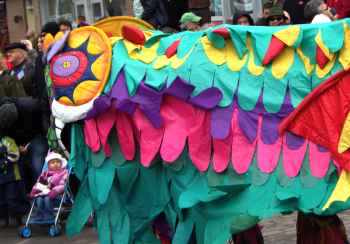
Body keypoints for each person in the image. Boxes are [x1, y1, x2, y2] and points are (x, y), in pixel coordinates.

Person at [29, 152, 68, 221]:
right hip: (44, 193)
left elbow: (63, 185)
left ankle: (49, 215)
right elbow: (39, 184)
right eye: (53, 163)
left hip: (57, 196)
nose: (55, 164)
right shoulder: (45, 174)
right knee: (39, 199)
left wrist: (54, 191)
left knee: (47, 199)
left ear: (61, 164)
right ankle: (39, 215)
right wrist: (34, 190)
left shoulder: (63, 173)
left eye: (58, 162)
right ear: (48, 165)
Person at [0, 135, 28, 227]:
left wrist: (4, 163)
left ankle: (23, 213)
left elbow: (15, 154)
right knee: (2, 201)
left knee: (11, 199)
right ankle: (5, 218)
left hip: (11, 176)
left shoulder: (6, 140)